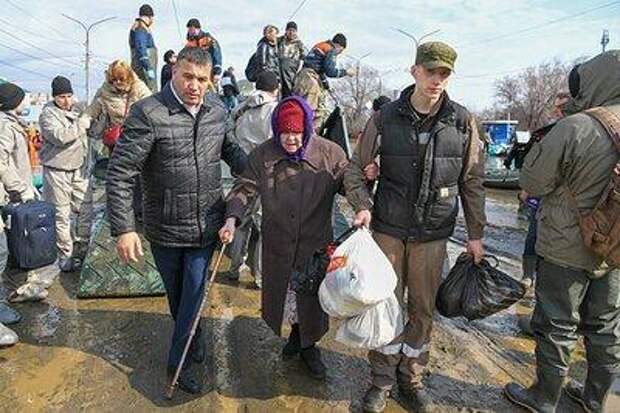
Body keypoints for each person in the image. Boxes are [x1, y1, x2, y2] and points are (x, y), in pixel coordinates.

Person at [344, 41, 486, 412]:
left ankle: (412, 377)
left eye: (444, 73)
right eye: (430, 71)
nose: (436, 80)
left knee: (422, 309)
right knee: (384, 305)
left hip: (432, 235)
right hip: (388, 230)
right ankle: (381, 382)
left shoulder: (462, 120)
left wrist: (476, 235)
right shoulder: (385, 118)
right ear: (415, 71)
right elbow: (355, 170)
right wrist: (362, 206)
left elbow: (472, 181)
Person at [106, 47, 246, 395]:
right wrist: (124, 229)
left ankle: (177, 363)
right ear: (174, 72)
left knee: (195, 292)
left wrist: (268, 170)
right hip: (165, 226)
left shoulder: (216, 110)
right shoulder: (148, 113)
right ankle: (192, 334)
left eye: (202, 79)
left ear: (210, 79)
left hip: (206, 224)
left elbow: (234, 153)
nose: (195, 85)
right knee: (178, 297)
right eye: (188, 76)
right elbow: (121, 173)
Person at [504, 50, 620, 413]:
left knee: (557, 324)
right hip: (615, 247)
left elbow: (532, 181)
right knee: (605, 328)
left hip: (566, 246)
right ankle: (594, 399)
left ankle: (545, 397)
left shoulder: (576, 126)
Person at [219, 96, 348, 380]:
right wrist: (232, 217)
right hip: (278, 243)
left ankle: (309, 346)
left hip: (315, 244)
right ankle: (296, 336)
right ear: (277, 129)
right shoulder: (262, 155)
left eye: (296, 133)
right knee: (288, 296)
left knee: (311, 298)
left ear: (307, 130)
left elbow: (351, 184)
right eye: (285, 133)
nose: (291, 139)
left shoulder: (331, 153)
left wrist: (365, 191)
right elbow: (244, 189)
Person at [79, 60, 151, 247]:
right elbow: (92, 109)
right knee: (118, 178)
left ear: (128, 77)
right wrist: (85, 120)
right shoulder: (105, 91)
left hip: (137, 138)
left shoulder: (140, 90)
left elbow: (152, 109)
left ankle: (141, 212)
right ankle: (121, 214)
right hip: (117, 142)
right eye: (114, 80)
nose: (118, 83)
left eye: (121, 79)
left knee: (140, 178)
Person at [225, 71, 280, 288]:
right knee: (265, 225)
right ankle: (260, 276)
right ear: (275, 89)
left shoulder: (241, 107)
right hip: (266, 172)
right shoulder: (275, 111)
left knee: (240, 219)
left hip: (242, 167)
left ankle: (234, 268)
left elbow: (229, 132)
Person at [38, 76, 88, 272]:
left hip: (79, 168)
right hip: (57, 170)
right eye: (61, 97)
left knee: (86, 209)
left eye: (69, 95)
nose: (66, 101)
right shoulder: (47, 115)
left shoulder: (77, 110)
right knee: (61, 214)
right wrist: (81, 124)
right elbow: (61, 137)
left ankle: (83, 249)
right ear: (54, 97)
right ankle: (65, 256)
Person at [294, 33, 356, 130]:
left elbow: (319, 68)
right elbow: (330, 71)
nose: (339, 53)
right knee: (310, 109)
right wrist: (346, 72)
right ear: (339, 46)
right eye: (340, 51)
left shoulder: (320, 45)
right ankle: (307, 133)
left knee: (301, 105)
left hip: (302, 77)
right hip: (310, 80)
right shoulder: (330, 50)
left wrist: (326, 85)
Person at [129, 4, 158, 92]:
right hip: (143, 67)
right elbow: (141, 47)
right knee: (148, 91)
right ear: (150, 17)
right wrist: (147, 66)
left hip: (143, 66)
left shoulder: (140, 27)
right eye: (152, 18)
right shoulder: (140, 28)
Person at [185, 18, 223, 82]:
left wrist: (217, 72)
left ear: (198, 29)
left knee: (211, 91)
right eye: (189, 30)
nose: (190, 31)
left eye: (192, 29)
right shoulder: (189, 44)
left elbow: (217, 54)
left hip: (209, 73)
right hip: (195, 74)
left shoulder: (208, 39)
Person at [277, 21, 306, 97]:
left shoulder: (299, 44)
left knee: (289, 89)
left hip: (292, 70)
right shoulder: (280, 40)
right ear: (286, 31)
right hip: (279, 69)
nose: (291, 33)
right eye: (289, 30)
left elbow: (306, 57)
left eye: (293, 31)